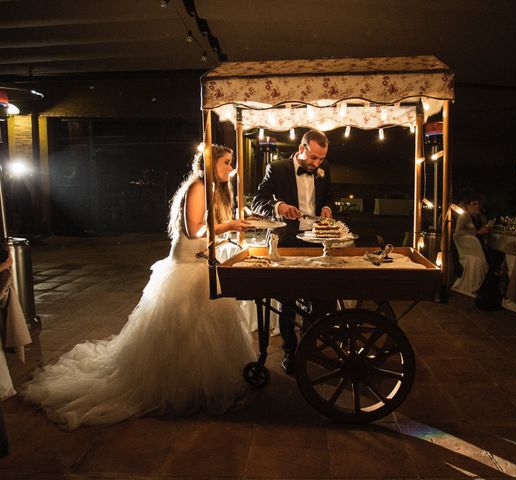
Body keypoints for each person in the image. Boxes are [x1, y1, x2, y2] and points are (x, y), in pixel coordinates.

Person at [20, 145, 256, 430]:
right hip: (186, 267)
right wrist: (228, 225)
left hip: (201, 263)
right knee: (182, 331)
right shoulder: (197, 187)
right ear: (209, 164)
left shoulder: (215, 189)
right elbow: (194, 230)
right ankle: (177, 387)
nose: (230, 168)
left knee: (207, 331)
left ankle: (197, 384)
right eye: (226, 162)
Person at [251, 129, 335, 374]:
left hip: (315, 240)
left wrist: (328, 207)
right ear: (301, 149)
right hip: (287, 241)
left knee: (317, 296)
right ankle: (290, 351)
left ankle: (309, 346)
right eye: (313, 158)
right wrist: (279, 206)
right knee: (287, 299)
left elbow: (329, 194)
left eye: (321, 159)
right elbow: (257, 201)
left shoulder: (324, 169)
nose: (317, 164)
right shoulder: (277, 169)